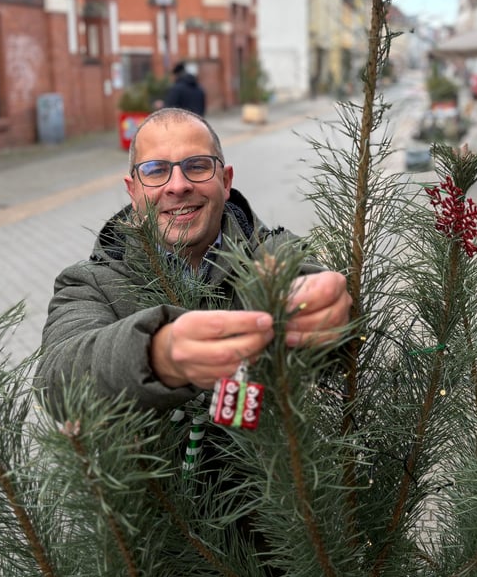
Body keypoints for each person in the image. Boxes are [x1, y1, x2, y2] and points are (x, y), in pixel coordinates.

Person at [34, 108, 351, 414]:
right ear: (133, 191)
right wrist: (159, 355)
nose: (178, 185)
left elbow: (303, 276)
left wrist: (324, 309)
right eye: (156, 171)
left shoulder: (273, 253)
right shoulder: (92, 282)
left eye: (197, 166)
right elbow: (56, 381)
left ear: (225, 182)